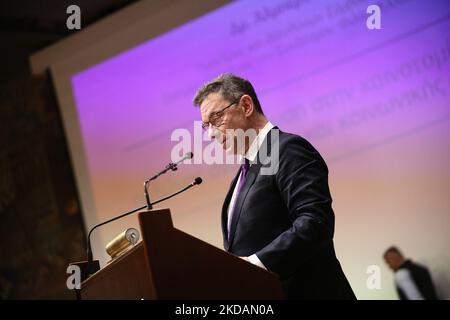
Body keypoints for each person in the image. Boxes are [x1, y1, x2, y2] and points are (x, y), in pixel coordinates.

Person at [192, 73, 356, 299]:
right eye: (205, 126)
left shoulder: (287, 149)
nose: (210, 134)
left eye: (216, 118)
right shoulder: (243, 174)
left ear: (246, 105)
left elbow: (315, 222)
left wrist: (254, 266)